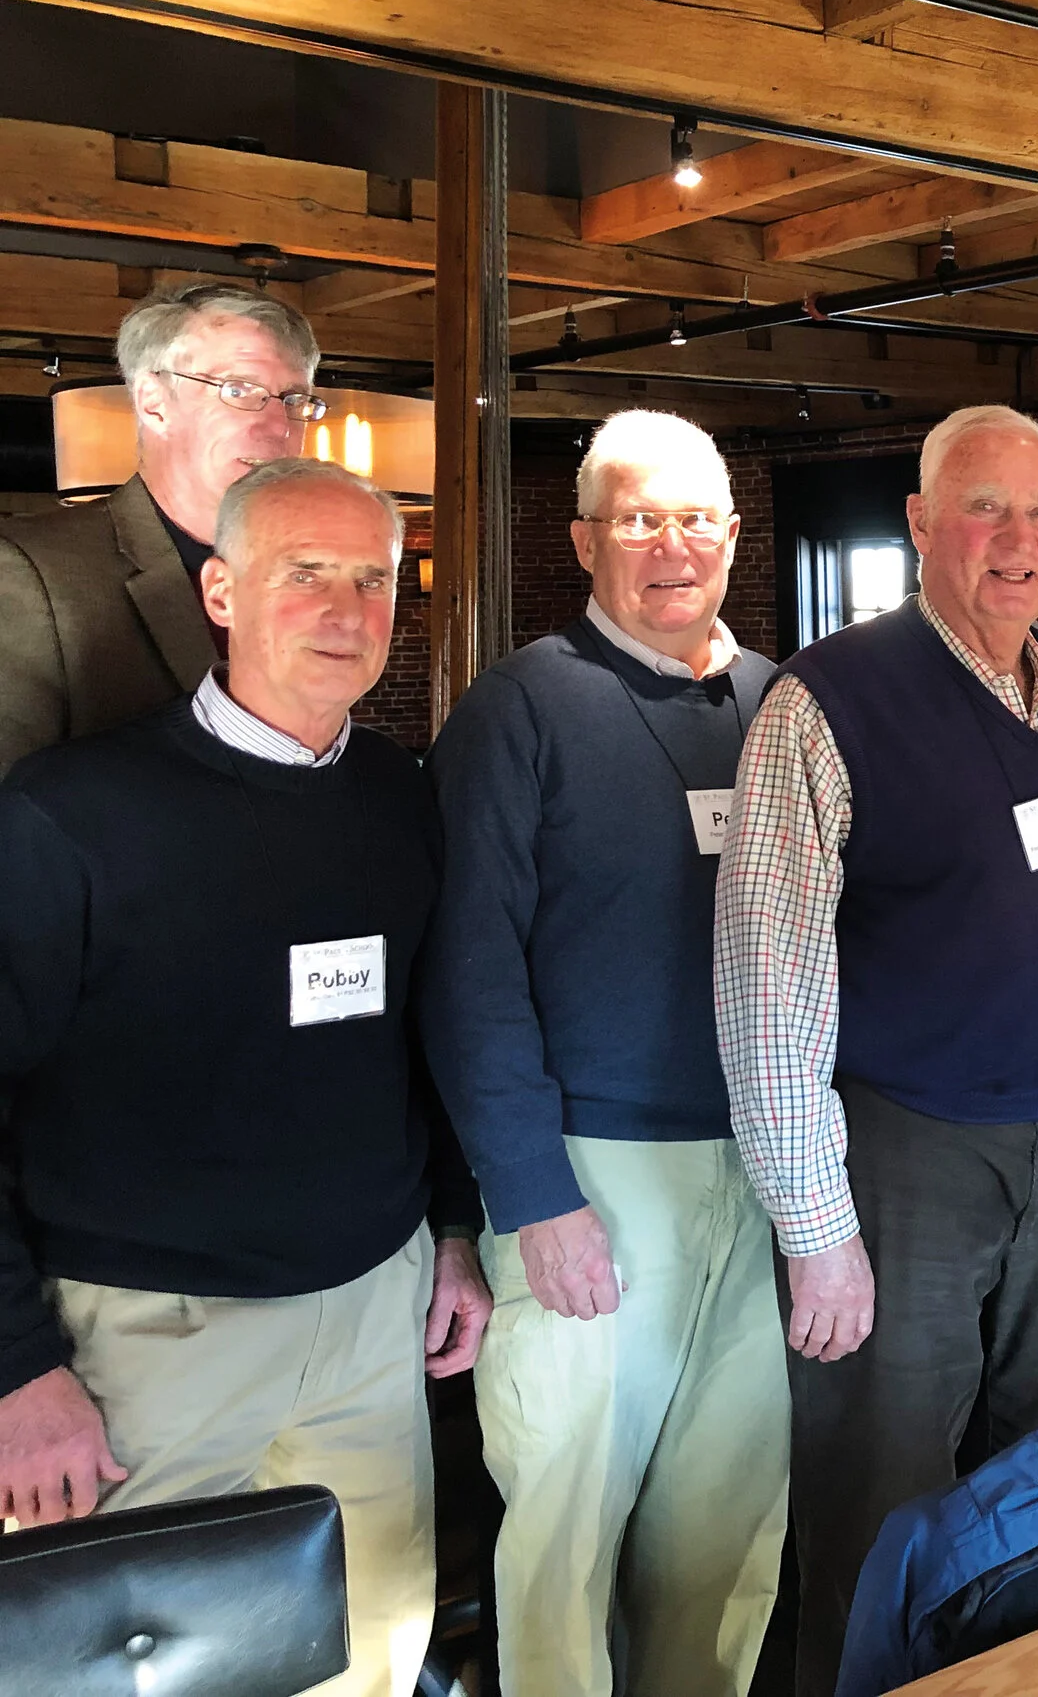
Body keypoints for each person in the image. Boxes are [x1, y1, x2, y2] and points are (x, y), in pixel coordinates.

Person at [0, 457, 489, 1697]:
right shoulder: (73, 812)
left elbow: (423, 1040)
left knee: (377, 1646)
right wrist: (14, 1370)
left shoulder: (400, 798)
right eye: (303, 573)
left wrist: (450, 1232)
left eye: (372, 580)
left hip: (371, 1323)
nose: (344, 610)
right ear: (219, 592)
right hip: (147, 1345)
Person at [714, 405, 1038, 1686]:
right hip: (906, 1161)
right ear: (918, 523)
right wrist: (814, 1226)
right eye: (985, 508)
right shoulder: (828, 700)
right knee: (880, 1503)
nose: (1020, 539)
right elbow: (768, 977)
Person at [420, 412, 784, 1696]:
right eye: (638, 520)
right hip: (591, 1180)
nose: (670, 547)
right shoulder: (518, 710)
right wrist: (534, 1199)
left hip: (766, 1170)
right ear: (584, 542)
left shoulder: (779, 705)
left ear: (731, 537)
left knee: (727, 1538)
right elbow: (467, 977)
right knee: (564, 1541)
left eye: (693, 520)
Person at [0, 280, 321, 772]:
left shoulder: (311, 573)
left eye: (294, 398)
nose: (279, 425)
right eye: (240, 390)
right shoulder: (30, 573)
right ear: (154, 402)